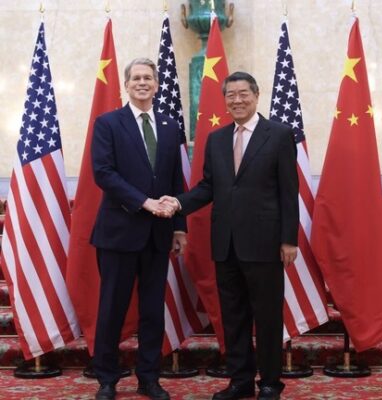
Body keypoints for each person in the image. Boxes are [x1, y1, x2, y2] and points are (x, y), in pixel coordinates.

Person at [160, 71, 299, 400]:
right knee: (233, 318)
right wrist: (178, 203)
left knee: (267, 318)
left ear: (256, 95)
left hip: (265, 244)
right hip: (225, 245)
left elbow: (288, 191)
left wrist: (288, 239)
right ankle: (240, 381)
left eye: (243, 94)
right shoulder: (217, 139)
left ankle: (270, 383)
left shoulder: (279, 135)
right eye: (231, 95)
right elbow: (209, 186)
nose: (237, 100)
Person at [90, 58, 186, 400]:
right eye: (136, 78)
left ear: (157, 85)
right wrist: (144, 202)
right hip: (119, 233)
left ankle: (149, 378)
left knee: (152, 312)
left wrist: (179, 228)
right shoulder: (108, 123)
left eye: (148, 78)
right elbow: (103, 173)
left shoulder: (170, 126)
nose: (142, 83)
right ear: (126, 85)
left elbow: (175, 178)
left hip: (158, 235)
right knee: (112, 310)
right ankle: (106, 379)